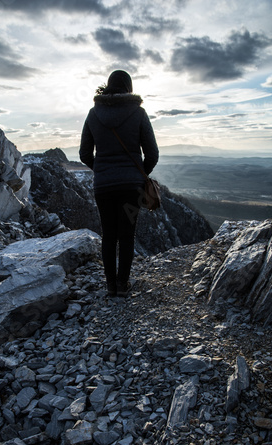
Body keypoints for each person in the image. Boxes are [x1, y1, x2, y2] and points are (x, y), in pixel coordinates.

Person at [79, 70, 159, 297]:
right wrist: (139, 173)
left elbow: (85, 153)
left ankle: (110, 286)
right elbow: (152, 153)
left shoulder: (93, 114)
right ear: (128, 87)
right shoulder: (139, 113)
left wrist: (102, 170)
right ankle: (123, 284)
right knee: (126, 235)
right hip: (132, 187)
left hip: (103, 187)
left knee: (109, 235)